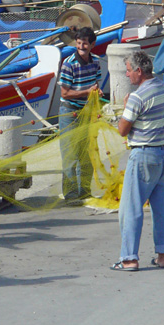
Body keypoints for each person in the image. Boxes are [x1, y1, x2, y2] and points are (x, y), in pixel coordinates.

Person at [112, 51, 164, 272]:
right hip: (163, 155)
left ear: (139, 71)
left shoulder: (137, 97)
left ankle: (129, 259)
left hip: (142, 156)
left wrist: (125, 109)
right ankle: (162, 256)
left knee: (131, 209)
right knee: (161, 208)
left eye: (129, 71)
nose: (127, 75)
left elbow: (122, 130)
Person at [58, 26, 103, 201]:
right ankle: (70, 195)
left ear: (92, 44)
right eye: (78, 44)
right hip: (69, 112)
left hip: (87, 112)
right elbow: (65, 93)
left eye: (84, 44)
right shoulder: (69, 64)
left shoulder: (96, 62)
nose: (81, 47)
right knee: (70, 154)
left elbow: (95, 85)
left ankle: (84, 191)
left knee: (87, 154)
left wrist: (96, 93)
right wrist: (87, 92)